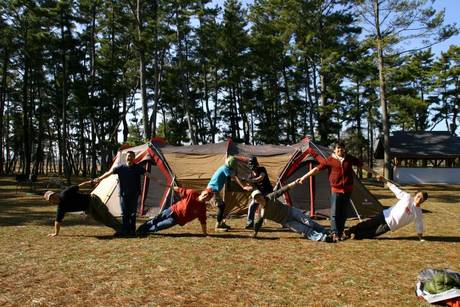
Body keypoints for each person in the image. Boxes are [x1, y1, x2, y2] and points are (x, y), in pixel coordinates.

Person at [297, 141, 377, 242]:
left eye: (342, 148)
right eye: (338, 148)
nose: (340, 150)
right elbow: (316, 169)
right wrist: (304, 177)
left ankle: (340, 232)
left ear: (344, 149)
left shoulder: (349, 158)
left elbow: (362, 165)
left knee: (343, 213)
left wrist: (374, 173)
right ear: (334, 150)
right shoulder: (330, 160)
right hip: (336, 190)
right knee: (334, 213)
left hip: (347, 190)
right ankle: (334, 233)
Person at [343, 181, 428, 240]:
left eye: (422, 198)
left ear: (424, 201)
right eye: (418, 196)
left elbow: (419, 224)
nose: (419, 199)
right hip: (385, 215)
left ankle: (355, 236)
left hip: (391, 224)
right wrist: (385, 181)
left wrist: (420, 236)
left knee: (373, 232)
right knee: (368, 224)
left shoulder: (418, 212)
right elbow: (397, 191)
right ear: (415, 195)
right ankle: (350, 230)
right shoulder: (407, 197)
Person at [252, 182, 333, 243]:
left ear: (262, 195)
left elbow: (283, 189)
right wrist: (255, 234)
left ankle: (325, 231)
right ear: (255, 201)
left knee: (309, 222)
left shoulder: (270, 197)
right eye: (256, 198)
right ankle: (322, 238)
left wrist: (295, 182)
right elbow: (257, 223)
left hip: (290, 211)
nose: (259, 198)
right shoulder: (261, 212)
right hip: (286, 221)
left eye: (259, 196)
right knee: (303, 230)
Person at [95, 150, 151, 236]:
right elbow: (109, 173)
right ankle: (125, 230)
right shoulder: (121, 168)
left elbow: (148, 174)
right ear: (126, 157)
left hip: (134, 194)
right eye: (128, 156)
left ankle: (132, 231)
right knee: (124, 213)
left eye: (132, 156)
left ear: (134, 158)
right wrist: (99, 178)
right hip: (123, 194)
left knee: (132, 213)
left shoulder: (138, 168)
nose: (130, 158)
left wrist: (161, 181)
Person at [45, 180, 122, 237]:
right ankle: (120, 230)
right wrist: (56, 233)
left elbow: (80, 185)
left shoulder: (65, 193)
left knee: (105, 215)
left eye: (53, 196)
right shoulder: (61, 208)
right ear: (51, 202)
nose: (53, 198)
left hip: (92, 200)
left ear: (56, 194)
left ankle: (124, 230)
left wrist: (91, 182)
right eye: (51, 199)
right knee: (101, 219)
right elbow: (57, 221)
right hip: (88, 208)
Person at [136, 187, 213, 236]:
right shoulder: (192, 193)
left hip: (176, 220)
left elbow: (203, 221)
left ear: (208, 200)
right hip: (172, 210)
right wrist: (172, 187)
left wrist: (205, 233)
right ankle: (140, 229)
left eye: (208, 197)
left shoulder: (202, 208)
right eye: (205, 194)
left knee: (160, 226)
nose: (205, 197)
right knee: (156, 219)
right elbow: (180, 190)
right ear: (203, 192)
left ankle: (144, 231)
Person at [207, 155, 249, 232]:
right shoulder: (225, 169)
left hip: (214, 189)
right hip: (212, 190)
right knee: (221, 206)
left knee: (222, 205)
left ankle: (221, 223)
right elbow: (235, 178)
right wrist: (243, 187)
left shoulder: (224, 168)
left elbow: (232, 178)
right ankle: (217, 227)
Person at [242, 156, 274, 229]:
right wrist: (244, 186)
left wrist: (250, 181)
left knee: (273, 207)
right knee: (252, 206)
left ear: (256, 164)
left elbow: (261, 178)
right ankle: (250, 223)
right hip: (260, 193)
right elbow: (251, 187)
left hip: (268, 192)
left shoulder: (262, 169)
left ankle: (283, 223)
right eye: (250, 164)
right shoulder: (250, 175)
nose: (251, 166)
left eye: (253, 164)